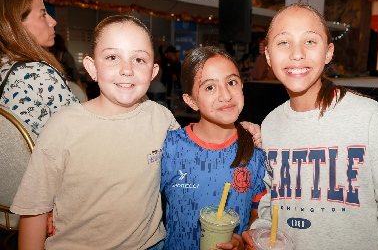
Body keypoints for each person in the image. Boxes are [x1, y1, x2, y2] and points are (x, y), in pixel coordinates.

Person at [242, 3, 378, 250]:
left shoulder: (368, 117)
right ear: (268, 55)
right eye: (284, 42)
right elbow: (271, 200)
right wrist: (260, 233)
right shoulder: (271, 123)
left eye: (310, 41)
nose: (297, 53)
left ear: (328, 53)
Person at [10, 15, 179, 250]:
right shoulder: (64, 126)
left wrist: (243, 130)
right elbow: (34, 209)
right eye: (112, 57)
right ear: (92, 67)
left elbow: (199, 148)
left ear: (153, 71)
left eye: (139, 59)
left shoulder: (161, 119)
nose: (127, 70)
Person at [160, 46, 266, 250]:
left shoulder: (255, 152)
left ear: (242, 85)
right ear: (191, 101)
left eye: (231, 82)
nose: (225, 95)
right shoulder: (171, 147)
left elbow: (257, 215)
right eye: (210, 87)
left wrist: (243, 241)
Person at [0, 0, 79, 137]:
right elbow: (79, 128)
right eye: (43, 15)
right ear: (17, 24)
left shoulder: (5, 66)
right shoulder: (38, 73)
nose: (53, 21)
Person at [158, 44, 181, 109]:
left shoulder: (173, 61)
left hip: (170, 78)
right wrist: (163, 44)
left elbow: (175, 70)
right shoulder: (164, 59)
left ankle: (169, 107)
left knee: (169, 92)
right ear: (167, 53)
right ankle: (161, 106)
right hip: (164, 78)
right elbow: (160, 50)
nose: (171, 55)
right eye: (170, 53)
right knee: (162, 90)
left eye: (172, 53)